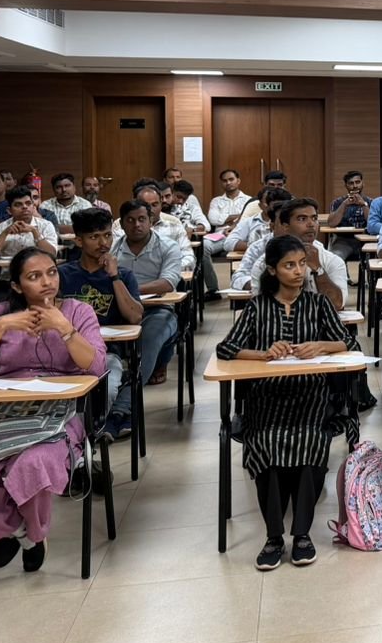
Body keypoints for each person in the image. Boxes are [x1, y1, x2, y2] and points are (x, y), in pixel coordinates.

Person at [0, 247, 107, 573]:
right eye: (34, 276)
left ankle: (32, 531)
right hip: (2, 409)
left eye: (52, 272)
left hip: (61, 410)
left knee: (33, 462)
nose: (47, 282)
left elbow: (97, 367)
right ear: (16, 285)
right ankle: (17, 531)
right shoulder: (1, 314)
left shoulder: (77, 311)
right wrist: (0, 327)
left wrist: (64, 328)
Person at [216, 235, 360, 571]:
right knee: (266, 443)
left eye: (302, 264)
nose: (298, 272)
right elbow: (226, 348)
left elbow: (349, 342)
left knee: (310, 441)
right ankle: (273, 536)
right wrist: (263, 354)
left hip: (312, 398)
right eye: (289, 265)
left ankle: (302, 534)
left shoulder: (318, 304)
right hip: (266, 399)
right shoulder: (258, 307)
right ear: (272, 270)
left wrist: (321, 346)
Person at [57, 207, 144, 443]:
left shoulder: (123, 275)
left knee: (106, 388)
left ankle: (82, 440)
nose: (103, 243)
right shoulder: (62, 275)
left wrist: (113, 276)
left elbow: (135, 317)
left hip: (107, 352)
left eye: (107, 235)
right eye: (94, 237)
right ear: (79, 241)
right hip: (64, 351)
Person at [110, 199, 183, 393]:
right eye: (130, 220)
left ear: (151, 221)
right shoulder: (112, 249)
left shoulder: (168, 246)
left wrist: (130, 290)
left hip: (157, 309)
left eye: (142, 219)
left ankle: (126, 400)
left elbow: (168, 283)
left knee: (150, 337)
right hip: (119, 309)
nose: (137, 225)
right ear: (122, 223)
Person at [238, 198, 348, 308]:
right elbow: (262, 308)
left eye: (314, 218)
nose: (311, 224)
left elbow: (337, 304)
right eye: (302, 219)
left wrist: (318, 269)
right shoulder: (265, 263)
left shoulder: (333, 261)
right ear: (286, 226)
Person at [0, 186, 60, 258]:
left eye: (28, 203)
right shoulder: (0, 228)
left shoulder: (46, 225)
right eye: (18, 205)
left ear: (33, 206)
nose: (25, 207)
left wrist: (35, 232)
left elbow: (52, 254)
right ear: (9, 211)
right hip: (9, 266)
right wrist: (5, 233)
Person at [324, 171, 373, 263]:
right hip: (343, 241)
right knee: (335, 258)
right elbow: (332, 223)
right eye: (351, 183)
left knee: (375, 258)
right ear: (346, 186)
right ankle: (343, 273)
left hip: (366, 240)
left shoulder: (371, 202)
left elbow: (372, 223)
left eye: (358, 182)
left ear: (363, 183)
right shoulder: (337, 202)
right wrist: (344, 204)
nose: (355, 186)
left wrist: (364, 205)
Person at [208, 168, 251, 235]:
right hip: (220, 235)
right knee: (207, 240)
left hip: (241, 234)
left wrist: (224, 221)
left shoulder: (248, 200)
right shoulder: (216, 201)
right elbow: (213, 219)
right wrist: (240, 216)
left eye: (231, 179)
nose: (228, 183)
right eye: (225, 181)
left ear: (238, 181)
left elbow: (250, 219)